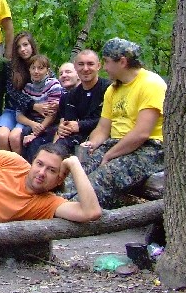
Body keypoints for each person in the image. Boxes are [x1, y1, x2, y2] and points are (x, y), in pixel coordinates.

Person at [76, 38, 166, 208]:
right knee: (77, 170)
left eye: (107, 62)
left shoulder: (151, 84)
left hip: (149, 148)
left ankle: (68, 214)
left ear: (122, 62)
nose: (105, 67)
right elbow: (103, 128)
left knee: (103, 177)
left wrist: (109, 155)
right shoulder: (113, 89)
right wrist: (92, 145)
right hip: (116, 144)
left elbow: (141, 133)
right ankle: (52, 204)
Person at [0, 32, 55, 152]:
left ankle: (19, 167)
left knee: (15, 137)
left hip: (29, 113)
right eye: (18, 47)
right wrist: (33, 105)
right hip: (13, 109)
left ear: (32, 45)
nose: (22, 49)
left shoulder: (41, 64)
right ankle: (5, 167)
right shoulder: (10, 66)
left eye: (25, 45)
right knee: (2, 136)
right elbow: (12, 92)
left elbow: (53, 85)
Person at [55, 50, 111, 155]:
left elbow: (110, 119)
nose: (85, 69)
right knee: (55, 150)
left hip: (103, 138)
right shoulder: (71, 95)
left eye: (90, 64)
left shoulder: (109, 89)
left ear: (98, 66)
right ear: (75, 67)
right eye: (81, 64)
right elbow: (69, 121)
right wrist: (63, 128)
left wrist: (80, 125)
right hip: (76, 138)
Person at [15, 55, 63, 162]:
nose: (36, 71)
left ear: (47, 70)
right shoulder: (27, 88)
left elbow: (52, 114)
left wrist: (35, 133)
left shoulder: (53, 85)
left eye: (40, 68)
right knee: (21, 136)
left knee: (34, 143)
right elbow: (19, 115)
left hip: (50, 125)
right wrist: (33, 125)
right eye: (33, 68)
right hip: (33, 123)